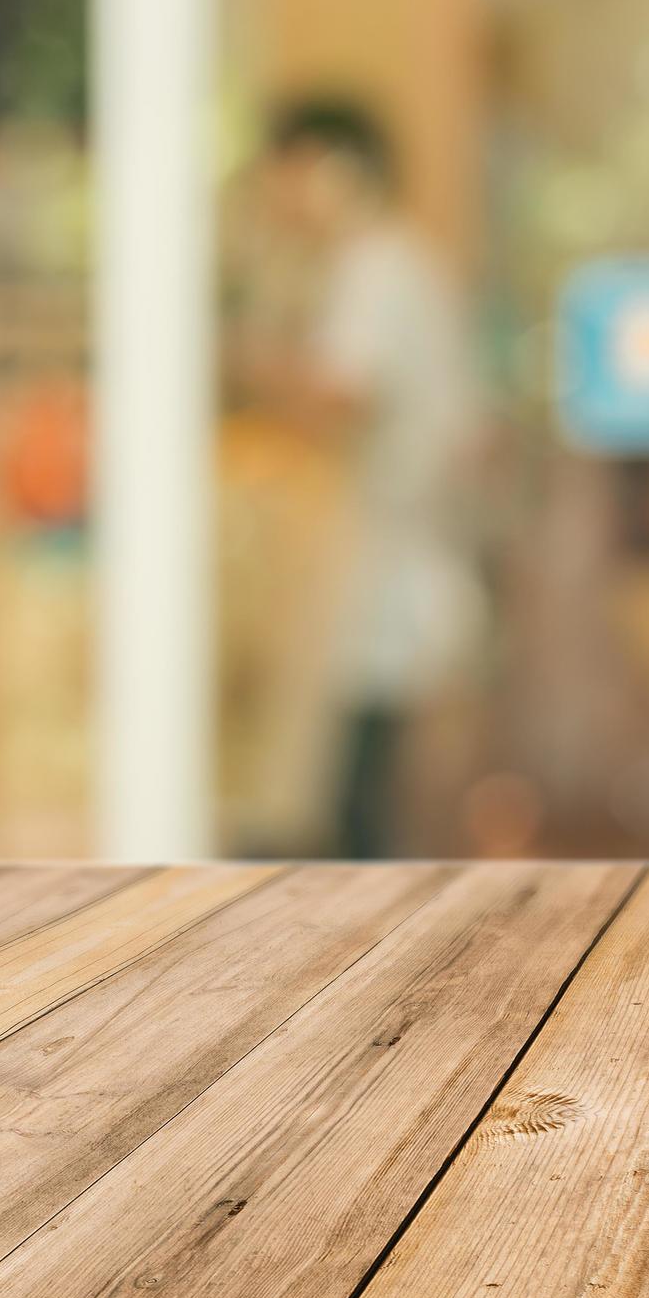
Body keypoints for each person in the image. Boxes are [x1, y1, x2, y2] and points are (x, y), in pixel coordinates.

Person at [248, 93, 478, 857]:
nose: (275, 198)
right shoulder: (388, 262)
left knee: (366, 790)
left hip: (394, 565)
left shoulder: (377, 266)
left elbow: (340, 395)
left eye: (282, 174)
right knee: (363, 784)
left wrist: (234, 360)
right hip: (390, 559)